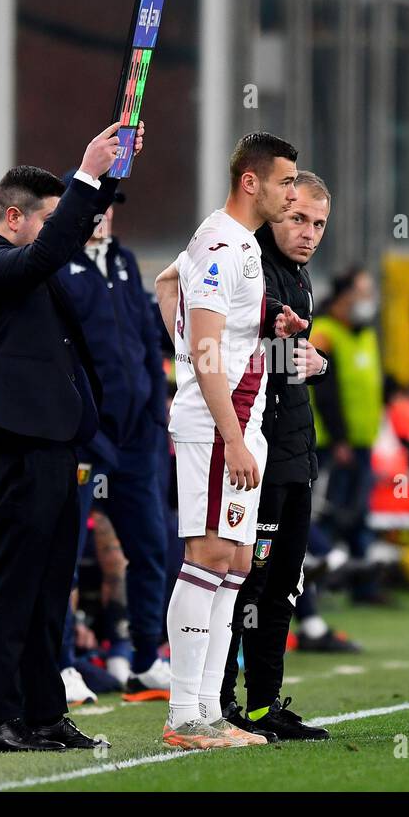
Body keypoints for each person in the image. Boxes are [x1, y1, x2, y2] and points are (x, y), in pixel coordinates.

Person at [0, 120, 138, 753]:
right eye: (50, 218)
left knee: (51, 588)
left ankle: (43, 714)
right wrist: (85, 173)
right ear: (12, 216)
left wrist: (107, 178)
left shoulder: (28, 257)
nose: (63, 230)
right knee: (9, 585)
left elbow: (55, 246)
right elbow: (46, 253)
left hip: (52, 443)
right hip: (9, 447)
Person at [152, 131, 300, 750]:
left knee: (235, 564)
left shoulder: (231, 243)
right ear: (252, 181)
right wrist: (233, 436)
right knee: (209, 557)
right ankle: (186, 714)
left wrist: (270, 334)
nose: (291, 194)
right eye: (286, 182)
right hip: (221, 427)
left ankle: (208, 711)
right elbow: (208, 344)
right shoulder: (222, 242)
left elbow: (165, 284)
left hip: (239, 422)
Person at [212, 170, 334, 741]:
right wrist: (301, 361)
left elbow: (293, 357)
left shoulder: (299, 276)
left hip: (295, 453)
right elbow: (238, 353)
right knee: (245, 582)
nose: (308, 233)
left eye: (319, 224)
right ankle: (219, 702)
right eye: (299, 219)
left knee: (284, 582)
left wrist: (315, 364)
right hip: (255, 450)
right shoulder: (249, 264)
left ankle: (262, 705)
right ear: (276, 210)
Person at [55, 175, 172, 699]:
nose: (104, 215)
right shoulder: (57, 266)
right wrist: (86, 428)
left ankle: (147, 657)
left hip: (135, 440)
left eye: (110, 207)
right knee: (64, 552)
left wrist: (155, 413)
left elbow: (148, 342)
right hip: (86, 439)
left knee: (151, 547)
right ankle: (60, 663)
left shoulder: (123, 263)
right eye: (96, 205)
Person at [310, 268, 386, 602]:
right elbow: (325, 390)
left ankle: (363, 585)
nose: (367, 299)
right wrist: (340, 438)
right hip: (330, 442)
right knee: (325, 513)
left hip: (362, 440)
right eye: (361, 291)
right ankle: (318, 583)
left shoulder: (365, 333)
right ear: (343, 295)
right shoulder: (324, 331)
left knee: (359, 513)